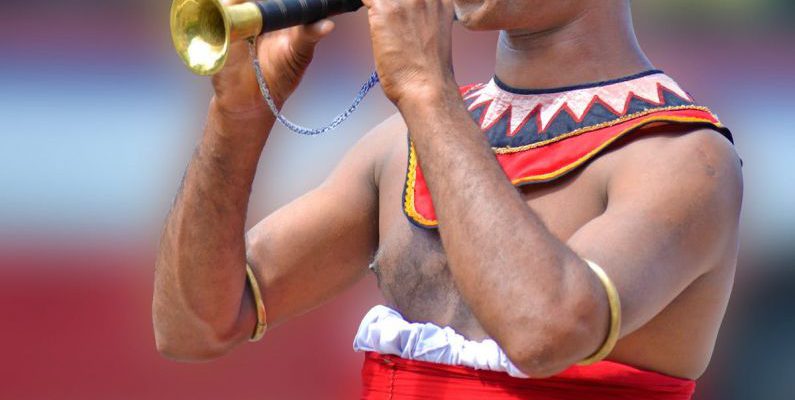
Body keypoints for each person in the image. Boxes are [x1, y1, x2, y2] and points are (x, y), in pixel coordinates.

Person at [153, 0, 743, 398]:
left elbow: (543, 332)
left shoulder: (685, 158)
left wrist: (426, 89)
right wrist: (236, 116)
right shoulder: (402, 144)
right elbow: (194, 327)